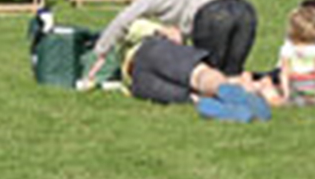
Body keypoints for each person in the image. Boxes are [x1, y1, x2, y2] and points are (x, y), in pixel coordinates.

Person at [82, 0, 258, 81]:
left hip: (213, 13)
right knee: (233, 75)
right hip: (246, 10)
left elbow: (124, 18)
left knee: (210, 76)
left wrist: (101, 51)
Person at [102, 18, 272, 121]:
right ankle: (229, 96)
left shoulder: (140, 28)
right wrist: (166, 30)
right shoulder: (151, 25)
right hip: (145, 62)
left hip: (140, 77)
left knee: (192, 90)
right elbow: (134, 26)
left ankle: (228, 101)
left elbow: (129, 27)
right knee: (197, 76)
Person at [277, 6, 315, 105]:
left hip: (294, 84)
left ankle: (294, 97)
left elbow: (284, 73)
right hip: (312, 84)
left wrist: (286, 94)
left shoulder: (286, 50)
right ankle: (312, 97)